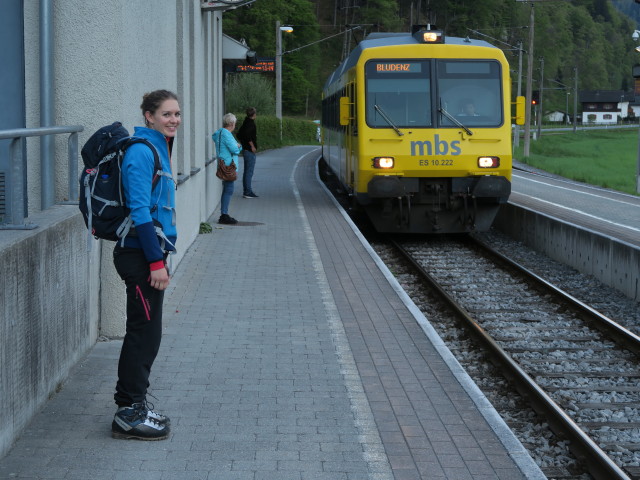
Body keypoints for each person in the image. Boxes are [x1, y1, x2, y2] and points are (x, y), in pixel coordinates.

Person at [111, 89, 180, 441]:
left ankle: (133, 404)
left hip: (149, 255)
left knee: (148, 333)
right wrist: (156, 263)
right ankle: (128, 413)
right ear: (149, 116)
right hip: (139, 256)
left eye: (177, 114)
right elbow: (140, 211)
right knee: (143, 333)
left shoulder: (158, 148)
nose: (174, 120)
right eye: (167, 114)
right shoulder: (141, 152)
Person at [212, 113, 242, 224]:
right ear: (231, 123)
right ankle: (224, 215)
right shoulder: (227, 134)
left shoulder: (219, 133)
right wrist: (239, 146)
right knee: (228, 190)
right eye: (234, 123)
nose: (234, 125)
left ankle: (224, 213)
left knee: (227, 188)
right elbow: (235, 149)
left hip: (222, 164)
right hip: (229, 166)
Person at [237, 107, 259, 198]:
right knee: (249, 172)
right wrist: (252, 145)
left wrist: (243, 143)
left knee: (247, 171)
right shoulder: (250, 124)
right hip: (249, 151)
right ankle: (247, 192)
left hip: (245, 150)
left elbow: (239, 134)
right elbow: (247, 134)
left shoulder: (245, 122)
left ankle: (247, 190)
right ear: (254, 114)